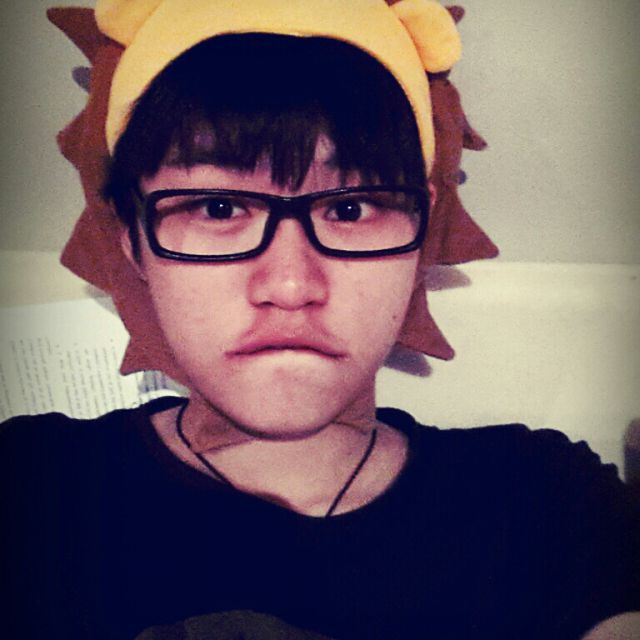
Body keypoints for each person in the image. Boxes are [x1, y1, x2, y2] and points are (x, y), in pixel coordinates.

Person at [1, 1, 638, 639]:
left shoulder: (546, 501)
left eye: (352, 208)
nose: (290, 286)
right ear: (132, 242)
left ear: (423, 229)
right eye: (218, 208)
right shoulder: (30, 485)